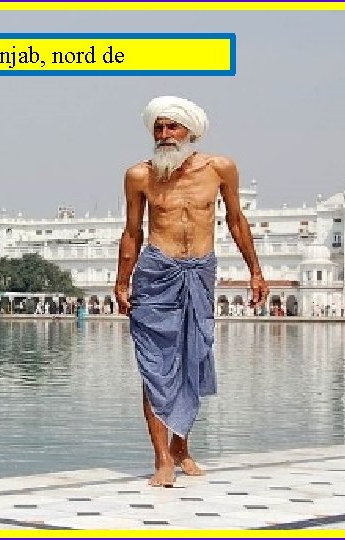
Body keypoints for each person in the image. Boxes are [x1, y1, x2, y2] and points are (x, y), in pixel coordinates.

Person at [114, 96, 269, 487]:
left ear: (190, 131)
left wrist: (256, 271)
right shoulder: (139, 176)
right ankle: (162, 458)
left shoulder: (219, 169)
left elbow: (236, 220)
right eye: (159, 128)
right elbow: (132, 232)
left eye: (172, 127)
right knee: (155, 367)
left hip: (200, 272)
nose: (164, 135)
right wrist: (121, 280)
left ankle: (182, 447)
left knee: (192, 360)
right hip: (155, 273)